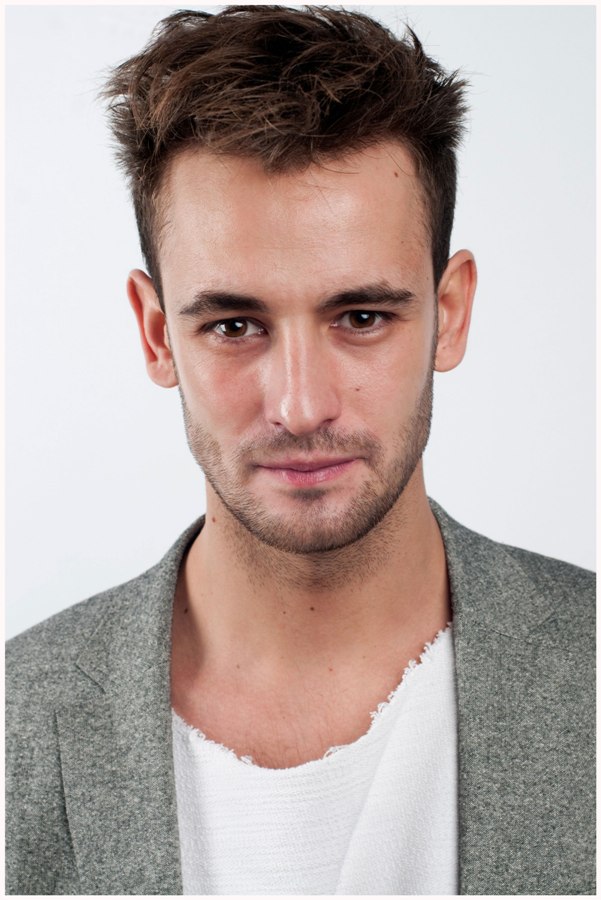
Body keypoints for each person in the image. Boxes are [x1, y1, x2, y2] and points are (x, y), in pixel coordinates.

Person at [5, 5, 594, 896]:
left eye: (361, 316)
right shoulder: (16, 718)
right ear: (157, 334)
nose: (299, 405)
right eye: (233, 325)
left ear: (450, 314)